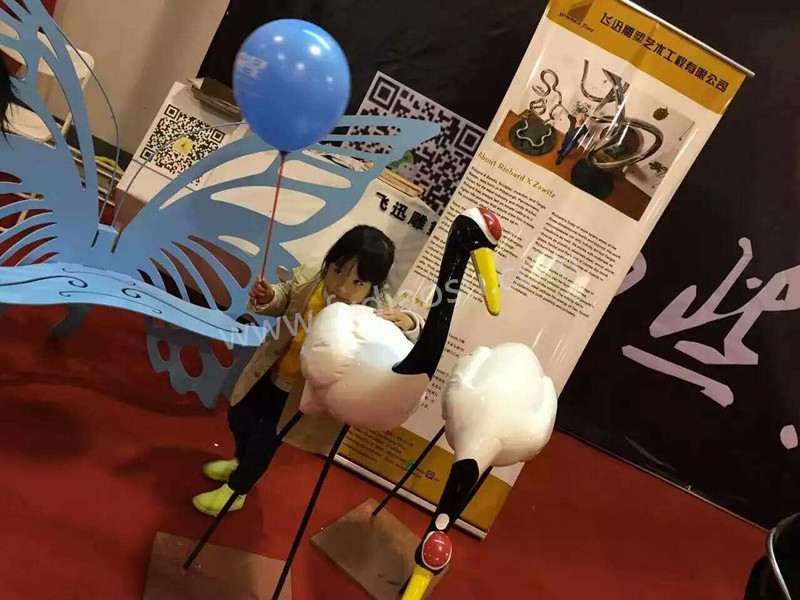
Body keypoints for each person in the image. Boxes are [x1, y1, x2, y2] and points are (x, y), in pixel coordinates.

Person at [192, 225, 424, 515]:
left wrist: (409, 322)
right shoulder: (310, 281)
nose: (342, 287)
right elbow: (285, 296)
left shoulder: (373, 311)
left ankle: (237, 490)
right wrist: (269, 297)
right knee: (239, 416)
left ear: (373, 287)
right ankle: (239, 461)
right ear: (329, 262)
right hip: (271, 371)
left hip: (300, 394)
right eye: (338, 271)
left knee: (266, 440)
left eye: (358, 281)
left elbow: (409, 330)